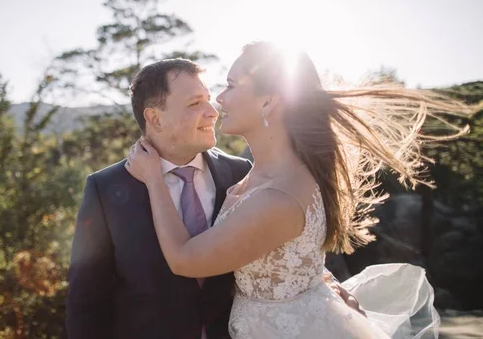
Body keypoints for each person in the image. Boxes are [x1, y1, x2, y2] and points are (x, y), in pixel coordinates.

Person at [126, 42, 474, 338]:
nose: (220, 99)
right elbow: (291, 254)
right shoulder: (267, 172)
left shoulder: (279, 196)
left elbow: (185, 260)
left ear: (269, 102)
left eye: (231, 86)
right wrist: (319, 280)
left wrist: (155, 180)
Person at [66, 58, 358, 339]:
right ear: (154, 118)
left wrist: (323, 282)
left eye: (209, 98)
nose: (213, 111)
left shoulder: (242, 174)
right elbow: (86, 302)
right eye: (195, 104)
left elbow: (279, 244)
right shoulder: (106, 189)